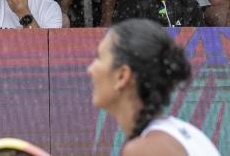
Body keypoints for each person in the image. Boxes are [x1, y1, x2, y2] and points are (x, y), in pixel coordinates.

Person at [87, 18, 220, 155]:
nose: (90, 69)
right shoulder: (183, 134)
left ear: (122, 75)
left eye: (99, 57)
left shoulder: (147, 149)